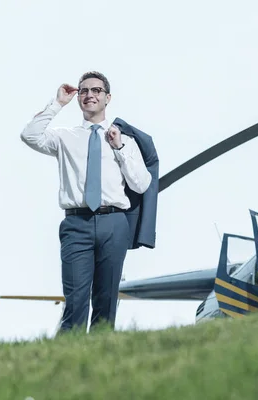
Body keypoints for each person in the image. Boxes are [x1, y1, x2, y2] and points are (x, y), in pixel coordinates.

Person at [20, 71, 159, 332]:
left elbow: (141, 184)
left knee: (106, 301)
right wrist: (57, 103)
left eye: (96, 90)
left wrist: (118, 148)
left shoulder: (125, 141)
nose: (89, 95)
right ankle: (68, 359)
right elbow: (30, 135)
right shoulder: (64, 138)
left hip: (114, 223)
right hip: (76, 224)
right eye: (84, 91)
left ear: (107, 98)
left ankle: (101, 361)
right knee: (75, 300)